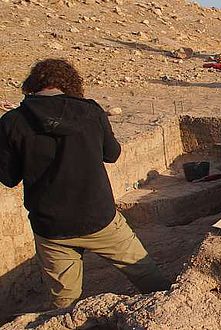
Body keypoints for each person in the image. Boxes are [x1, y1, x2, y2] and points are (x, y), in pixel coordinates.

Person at [0, 59, 171, 309]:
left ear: (33, 85)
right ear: (70, 84)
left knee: (64, 302)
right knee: (146, 275)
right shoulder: (90, 111)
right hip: (98, 217)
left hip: (52, 227)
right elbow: (112, 154)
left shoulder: (11, 122)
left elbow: (9, 177)